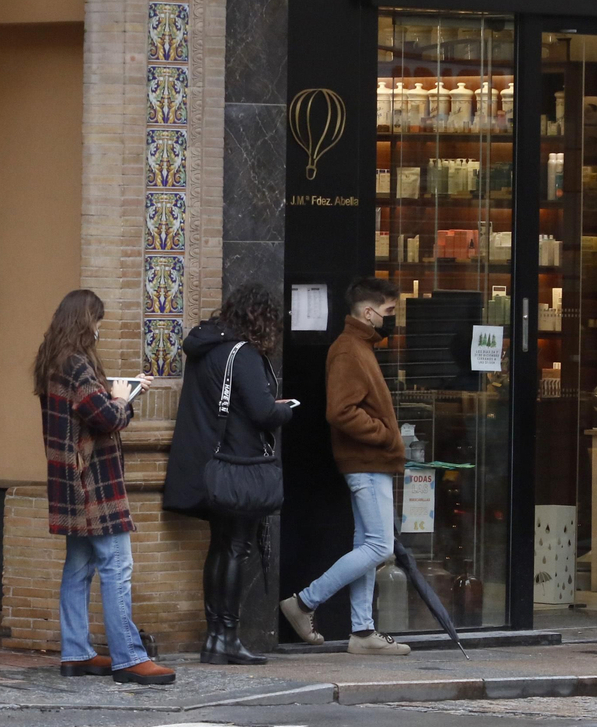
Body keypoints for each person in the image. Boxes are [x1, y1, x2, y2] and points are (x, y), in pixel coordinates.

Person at [33, 289, 173, 685]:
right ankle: (129, 657)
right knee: (117, 566)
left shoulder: (52, 360)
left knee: (78, 568)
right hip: (94, 482)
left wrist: (115, 393)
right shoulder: (77, 364)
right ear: (85, 322)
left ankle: (76, 651)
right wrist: (124, 399)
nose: (98, 330)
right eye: (97, 322)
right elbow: (105, 416)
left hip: (68, 481)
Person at [163, 283, 296, 664]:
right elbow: (262, 412)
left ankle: (214, 638)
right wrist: (286, 410)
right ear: (262, 318)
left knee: (220, 547)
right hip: (241, 466)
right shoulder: (244, 355)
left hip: (211, 466)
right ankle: (227, 636)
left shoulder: (205, 349)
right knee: (237, 548)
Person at [280, 277, 411, 656]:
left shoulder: (357, 347)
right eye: (388, 311)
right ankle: (304, 602)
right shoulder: (349, 350)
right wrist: (386, 435)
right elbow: (340, 411)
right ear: (368, 312)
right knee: (379, 546)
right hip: (367, 461)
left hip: (370, 462)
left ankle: (363, 631)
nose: (391, 318)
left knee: (368, 544)